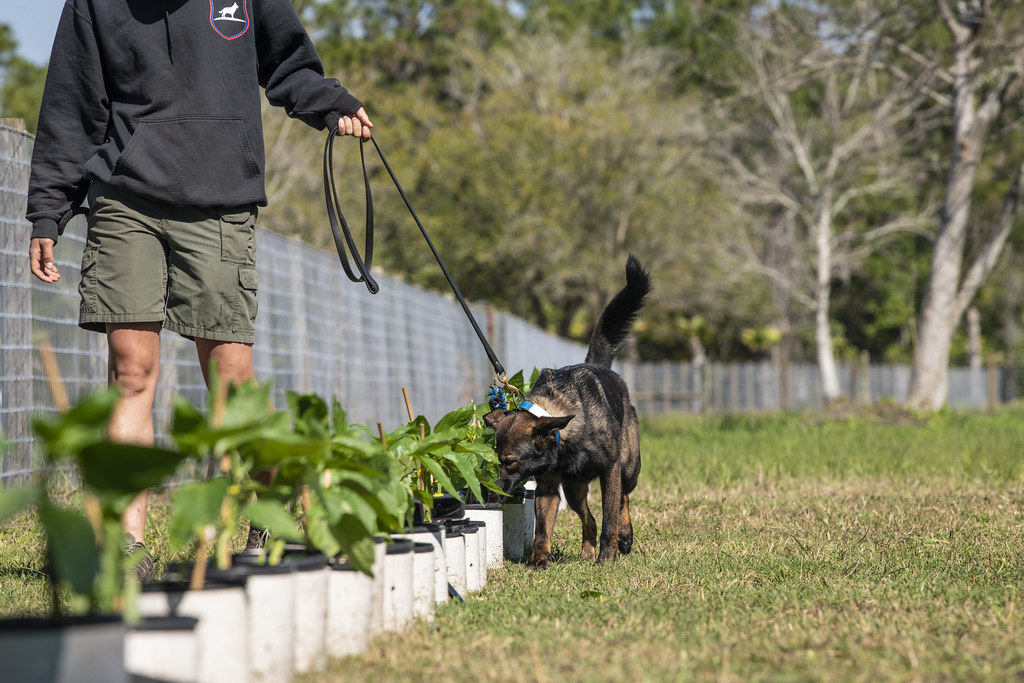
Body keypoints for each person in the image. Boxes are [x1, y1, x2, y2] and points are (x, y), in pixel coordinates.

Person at [26, 0, 371, 580]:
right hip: (124, 196)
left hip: (219, 198)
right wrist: (48, 211)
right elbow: (72, 101)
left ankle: (267, 513)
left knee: (230, 374)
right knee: (130, 368)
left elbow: (286, 61)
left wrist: (331, 105)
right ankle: (125, 542)